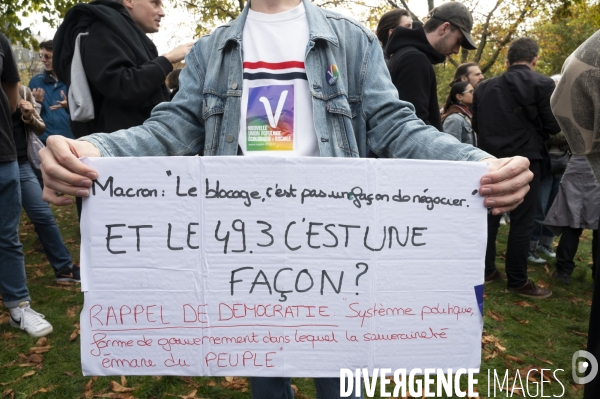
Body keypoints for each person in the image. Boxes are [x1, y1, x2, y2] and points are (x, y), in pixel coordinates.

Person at [39, 0, 532, 397]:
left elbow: (395, 125)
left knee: (341, 380)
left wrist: (477, 164)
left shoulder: (352, 40)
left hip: (337, 250)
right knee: (266, 379)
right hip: (246, 253)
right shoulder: (212, 50)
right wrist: (91, 149)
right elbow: (171, 127)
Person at [473, 37, 560, 298]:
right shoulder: (543, 83)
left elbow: (477, 124)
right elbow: (553, 126)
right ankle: (518, 279)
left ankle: (486, 270)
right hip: (526, 161)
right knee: (522, 222)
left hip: (489, 159)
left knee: (489, 218)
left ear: (507, 61)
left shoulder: (484, 87)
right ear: (534, 60)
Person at [52, 0, 194, 138]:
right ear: (129, 1)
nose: (162, 12)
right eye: (154, 3)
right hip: (118, 152)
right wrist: (167, 60)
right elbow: (122, 87)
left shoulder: (127, 36)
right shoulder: (102, 31)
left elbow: (152, 99)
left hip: (137, 145)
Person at [549, 29, 600, 399]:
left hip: (586, 170)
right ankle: (565, 269)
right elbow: (577, 75)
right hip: (585, 172)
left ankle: (566, 269)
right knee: (574, 226)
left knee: (575, 226)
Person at [0, 32, 53, 337]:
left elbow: (10, 98)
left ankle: (19, 307)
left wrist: (30, 114)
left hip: (7, 156)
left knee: (9, 236)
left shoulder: (1, 41)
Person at [11, 84, 80, 283]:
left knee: (43, 215)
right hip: (3, 165)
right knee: (8, 229)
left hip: (22, 163)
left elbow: (39, 128)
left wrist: (29, 114)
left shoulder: (22, 91)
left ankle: (64, 269)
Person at [386, 1, 477, 130]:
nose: (457, 50)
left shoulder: (408, 54)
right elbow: (415, 127)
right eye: (458, 41)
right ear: (445, 28)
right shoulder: (415, 60)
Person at [543, 155, 599, 284]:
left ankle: (564, 271)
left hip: (580, 166)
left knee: (573, 222)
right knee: (573, 222)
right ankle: (564, 271)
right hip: (581, 167)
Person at [28, 40, 74, 145]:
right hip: (43, 142)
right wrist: (36, 104)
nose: (42, 60)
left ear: (59, 56)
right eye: (41, 55)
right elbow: (28, 118)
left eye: (47, 56)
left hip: (72, 141)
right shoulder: (35, 82)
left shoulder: (74, 81)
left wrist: (70, 106)